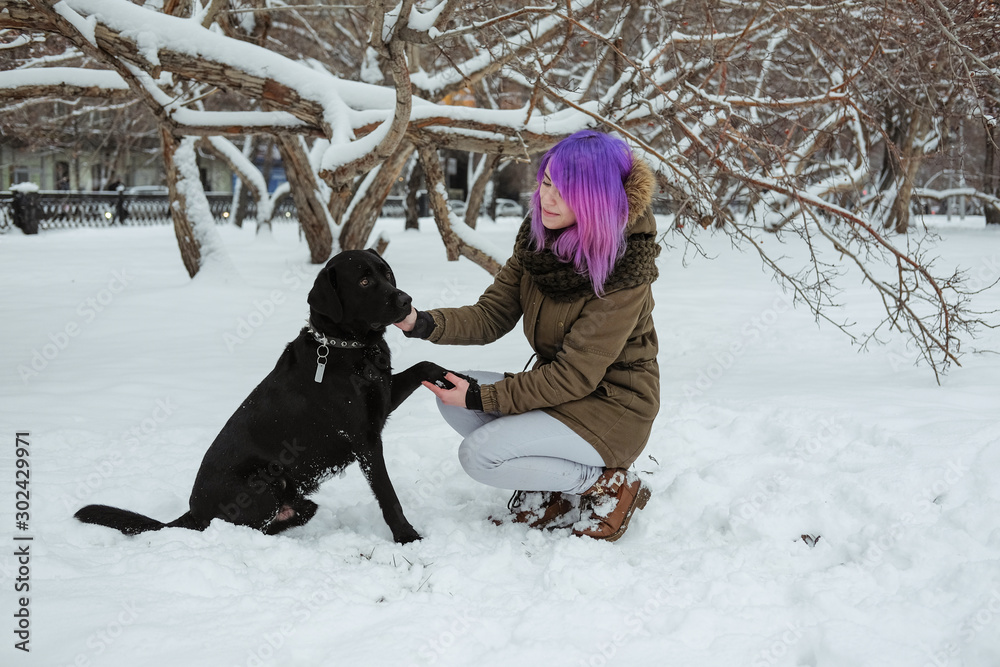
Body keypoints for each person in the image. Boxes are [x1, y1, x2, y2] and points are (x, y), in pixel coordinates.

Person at [395, 130, 661, 542]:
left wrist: (481, 396)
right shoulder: (540, 241)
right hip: (564, 393)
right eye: (547, 182)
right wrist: (422, 322)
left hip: (612, 408)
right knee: (451, 392)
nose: (546, 197)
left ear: (597, 199)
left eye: (565, 190)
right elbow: (490, 315)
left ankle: (609, 486)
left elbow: (575, 375)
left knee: (481, 455)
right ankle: (553, 489)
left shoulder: (624, 271)